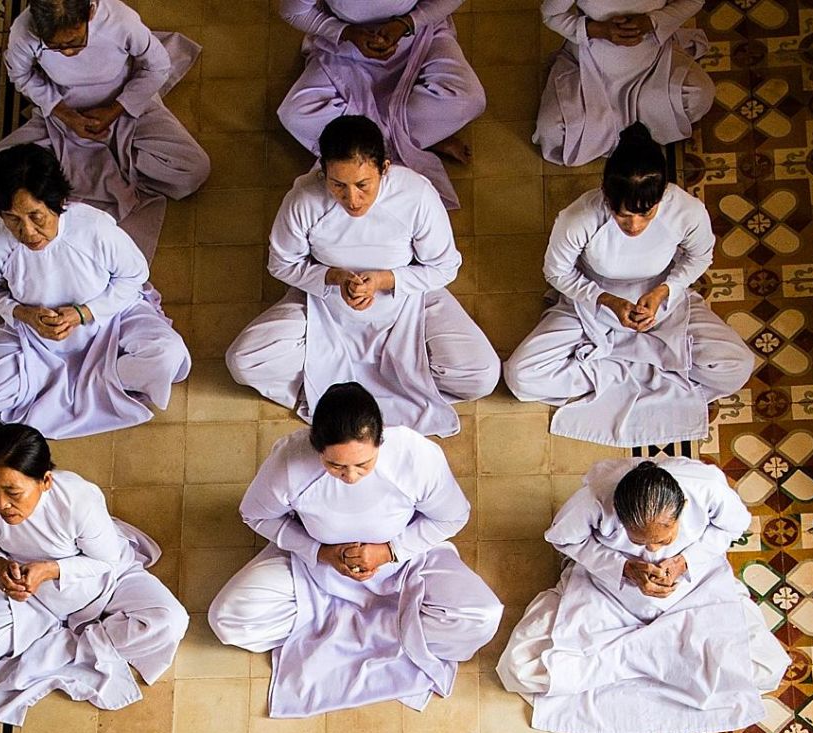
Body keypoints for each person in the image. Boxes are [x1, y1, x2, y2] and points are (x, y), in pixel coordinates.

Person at [205, 381, 501, 719]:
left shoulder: (417, 457)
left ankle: (369, 630)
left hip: (404, 566)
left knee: (483, 615)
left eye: (364, 464)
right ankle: (394, 631)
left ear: (380, 440)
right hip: (317, 571)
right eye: (335, 466)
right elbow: (255, 515)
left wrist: (390, 551)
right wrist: (318, 551)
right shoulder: (289, 461)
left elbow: (453, 516)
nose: (350, 476)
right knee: (227, 619)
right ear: (315, 447)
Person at [226, 116, 498, 439]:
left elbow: (444, 267)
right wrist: (333, 277)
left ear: (384, 168)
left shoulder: (417, 196)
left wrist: (384, 280)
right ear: (323, 172)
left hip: (406, 300)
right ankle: (332, 389)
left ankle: (393, 380)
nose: (351, 200)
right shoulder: (303, 202)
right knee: (243, 361)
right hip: (327, 305)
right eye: (337, 185)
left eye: (362, 185)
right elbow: (282, 264)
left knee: (483, 374)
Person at [498, 458, 789, 733]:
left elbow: (734, 525)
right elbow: (563, 538)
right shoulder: (595, 499)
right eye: (639, 541)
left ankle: (638, 661)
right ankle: (659, 663)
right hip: (609, 593)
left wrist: (685, 561)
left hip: (695, 588)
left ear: (682, 509)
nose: (650, 551)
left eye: (662, 540)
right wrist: (623, 567)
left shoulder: (706, 487)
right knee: (520, 667)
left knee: (766, 668)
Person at [504, 125, 754, 446]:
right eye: (623, 216)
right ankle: (635, 371)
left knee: (737, 366)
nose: (634, 226)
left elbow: (699, 257)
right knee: (521, 376)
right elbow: (557, 272)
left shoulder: (686, 211)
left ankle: (608, 366)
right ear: (607, 197)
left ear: (662, 195)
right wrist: (606, 299)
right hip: (591, 303)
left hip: (661, 303)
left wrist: (664, 291)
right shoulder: (579, 217)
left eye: (645, 215)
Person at [0, 422, 189, 724]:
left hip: (105, 581)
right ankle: (72, 638)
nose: (1, 503)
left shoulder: (78, 500)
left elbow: (106, 561)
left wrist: (50, 569)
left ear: (45, 481)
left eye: (13, 492)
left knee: (170, 621)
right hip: (32, 597)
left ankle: (59, 646)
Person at [0, 142, 191, 438]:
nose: (27, 232)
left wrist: (84, 312)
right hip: (39, 340)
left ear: (55, 200)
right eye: (13, 219)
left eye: (36, 216)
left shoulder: (92, 227)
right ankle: (101, 386)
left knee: (167, 356)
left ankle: (83, 384)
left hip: (112, 321)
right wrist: (24, 314)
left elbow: (133, 276)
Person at [0, 0, 210, 260]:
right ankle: (108, 168)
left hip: (126, 107)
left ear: (90, 13)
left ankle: (113, 168)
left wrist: (115, 109)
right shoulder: (25, 32)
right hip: (64, 116)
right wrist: (66, 115)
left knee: (193, 170)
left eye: (75, 42)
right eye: (56, 47)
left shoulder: (120, 21)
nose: (66, 53)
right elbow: (21, 76)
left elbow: (157, 66)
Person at [275, 0, 484, 211]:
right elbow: (293, 11)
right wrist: (347, 33)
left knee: (468, 99)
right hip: (346, 47)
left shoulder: (411, 27)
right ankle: (411, 139)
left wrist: (407, 23)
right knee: (294, 114)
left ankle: (376, 143)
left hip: (415, 37)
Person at [535, 0, 715, 167]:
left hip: (653, 57)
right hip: (593, 62)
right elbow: (550, 14)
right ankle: (629, 125)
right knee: (552, 132)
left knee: (699, 95)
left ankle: (621, 128)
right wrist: (598, 30)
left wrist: (651, 22)